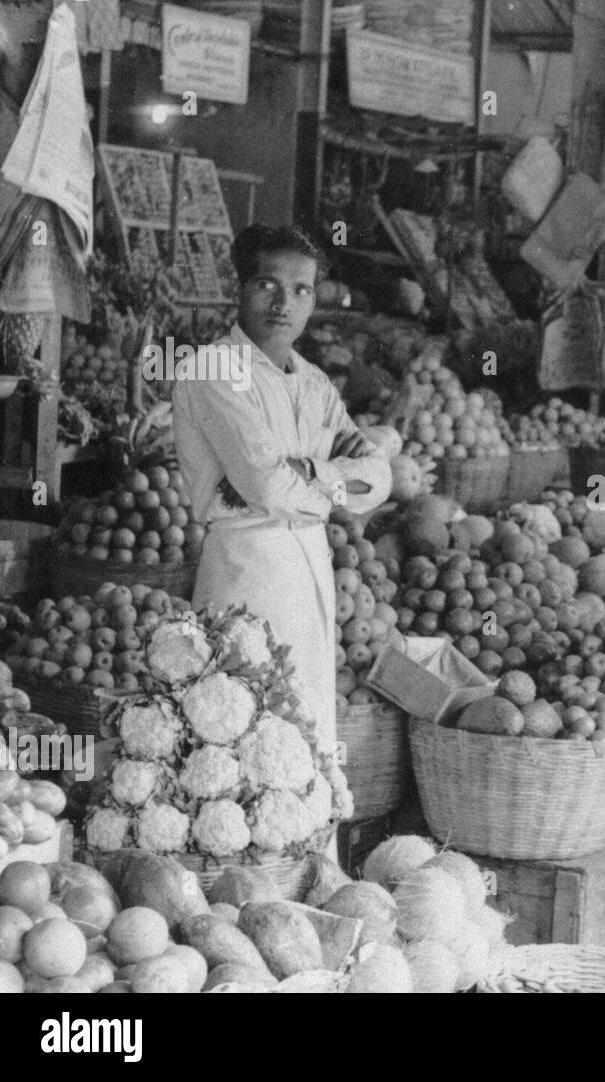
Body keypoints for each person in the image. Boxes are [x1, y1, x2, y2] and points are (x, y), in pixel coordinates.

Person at [173, 225, 391, 756]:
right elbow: (266, 485)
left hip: (311, 568)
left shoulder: (315, 383)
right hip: (247, 568)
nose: (283, 303)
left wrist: (313, 472)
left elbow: (379, 475)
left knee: (306, 738)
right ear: (239, 287)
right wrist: (338, 482)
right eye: (266, 285)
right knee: (242, 747)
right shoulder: (213, 370)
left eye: (300, 290)